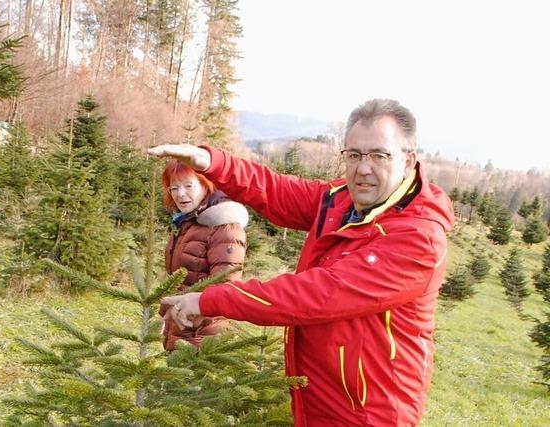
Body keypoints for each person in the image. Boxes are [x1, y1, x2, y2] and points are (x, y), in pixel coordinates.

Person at [149, 99, 454, 426]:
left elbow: (316, 294)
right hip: (317, 396)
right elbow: (275, 190)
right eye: (354, 155)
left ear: (408, 161)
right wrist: (213, 162)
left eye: (379, 155)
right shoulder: (341, 199)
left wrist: (207, 299)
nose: (363, 168)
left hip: (369, 412)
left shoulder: (418, 238)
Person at [159, 159, 248, 351]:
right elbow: (181, 280)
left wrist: (200, 339)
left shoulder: (224, 227)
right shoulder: (187, 222)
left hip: (200, 336)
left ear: (206, 184)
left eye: (188, 185)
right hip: (182, 326)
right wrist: (166, 314)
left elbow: (224, 287)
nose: (180, 194)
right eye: (173, 188)